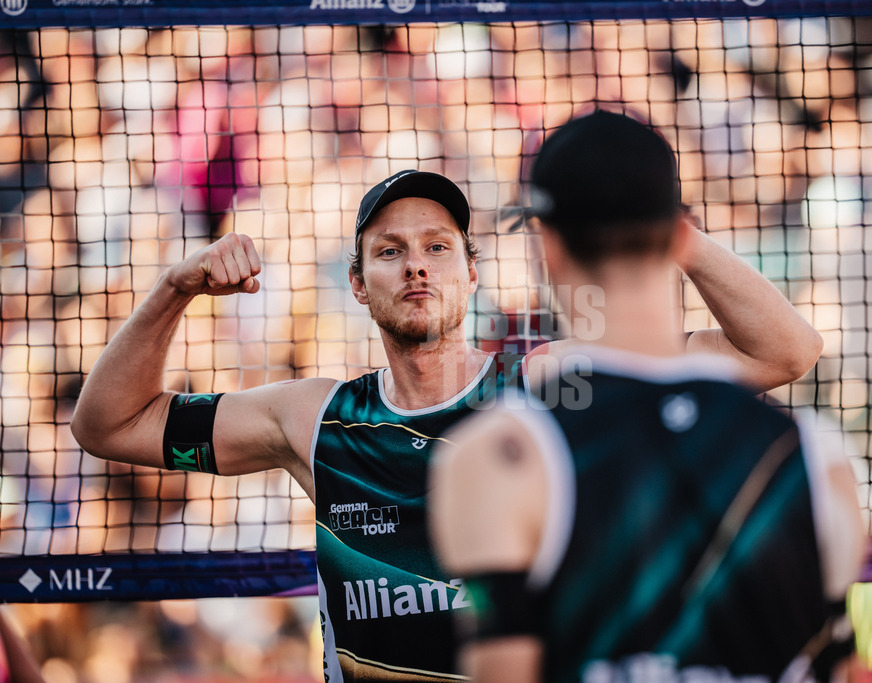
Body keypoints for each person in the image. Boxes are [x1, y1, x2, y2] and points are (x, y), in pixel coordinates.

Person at [71, 162, 822, 681]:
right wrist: (175, 289)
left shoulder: (548, 384)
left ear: (471, 271)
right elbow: (108, 424)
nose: (417, 266)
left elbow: (783, 351)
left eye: (438, 247)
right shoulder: (316, 418)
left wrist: (676, 238)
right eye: (390, 252)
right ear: (360, 286)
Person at [428, 111, 869, 683]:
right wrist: (671, 230)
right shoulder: (819, 457)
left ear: (548, 246)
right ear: (680, 232)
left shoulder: (496, 456)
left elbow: (791, 349)